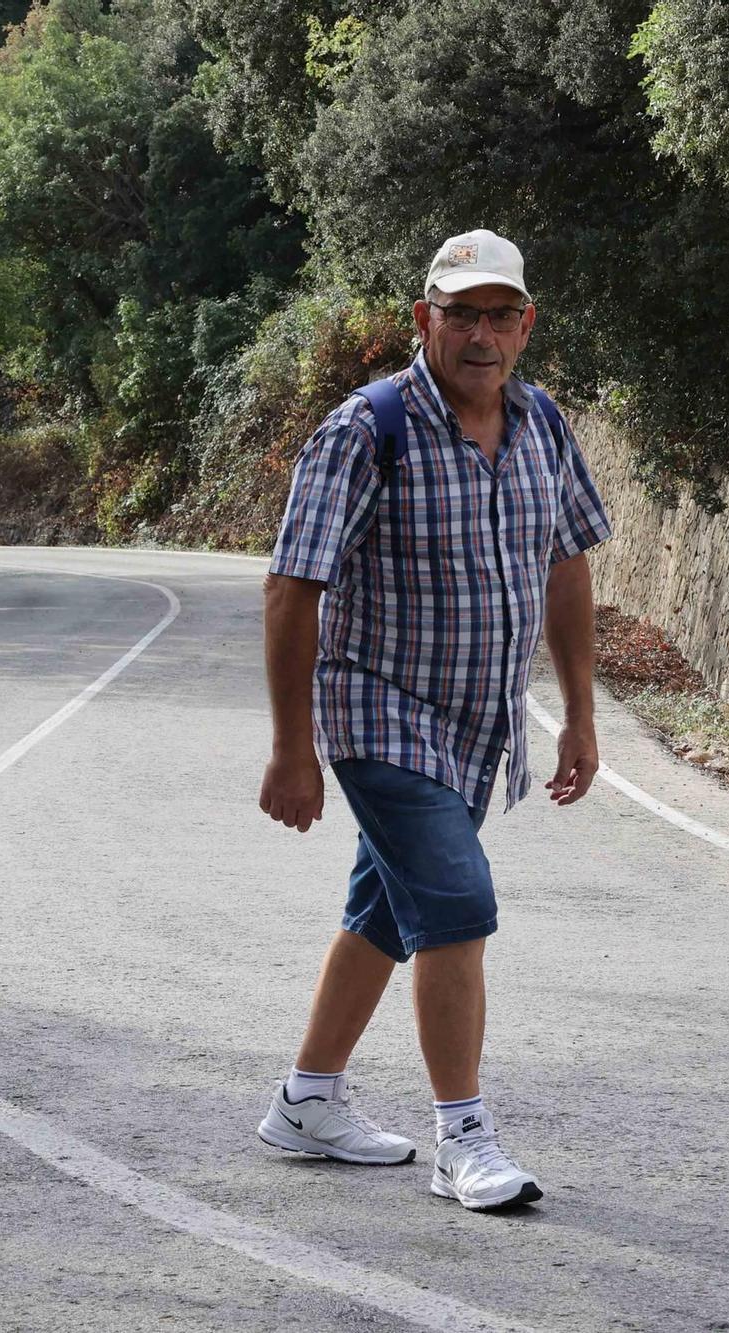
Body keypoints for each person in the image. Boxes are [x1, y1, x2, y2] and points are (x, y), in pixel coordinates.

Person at [256, 228, 612, 1210]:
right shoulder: (366, 429)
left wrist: (577, 714)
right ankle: (465, 1139)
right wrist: (292, 748)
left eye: (501, 314)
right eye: (461, 314)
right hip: (377, 711)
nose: (481, 335)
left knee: (384, 909)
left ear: (525, 325)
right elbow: (292, 588)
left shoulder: (539, 423)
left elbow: (566, 559)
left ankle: (306, 1098)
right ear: (424, 320)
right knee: (453, 902)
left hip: (474, 726)